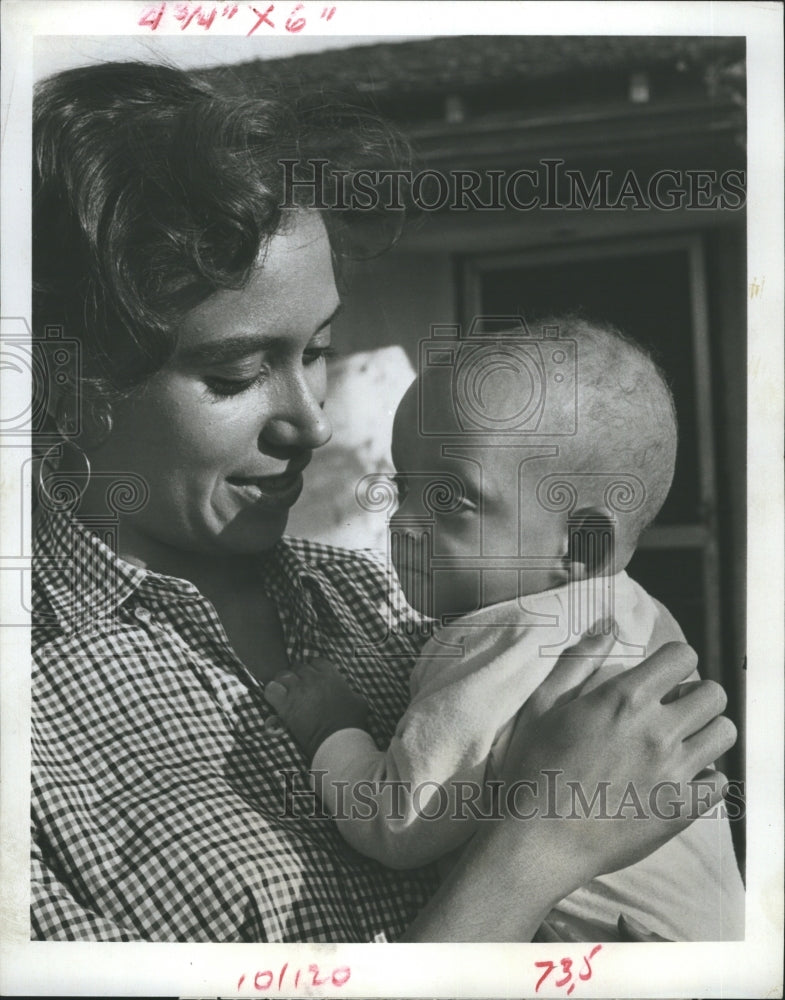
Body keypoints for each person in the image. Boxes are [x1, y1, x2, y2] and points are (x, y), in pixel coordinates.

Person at [31, 61, 737, 943]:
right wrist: (538, 849)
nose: (311, 423)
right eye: (237, 373)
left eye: (318, 349)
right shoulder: (34, 723)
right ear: (67, 384)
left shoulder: (387, 604)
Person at [264, 317, 745, 940]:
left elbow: (401, 820)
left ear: (582, 546)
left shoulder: (505, 637)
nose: (403, 522)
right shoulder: (634, 611)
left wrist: (334, 730)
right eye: (406, 487)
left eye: (452, 500)